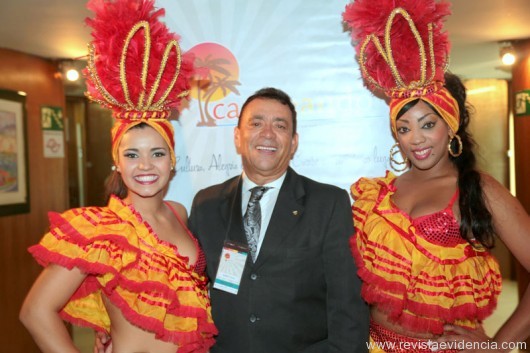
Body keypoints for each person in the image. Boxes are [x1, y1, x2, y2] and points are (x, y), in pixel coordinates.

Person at [19, 0, 217, 352]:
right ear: (117, 163)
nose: (145, 166)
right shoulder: (100, 229)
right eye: (131, 155)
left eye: (157, 154)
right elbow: (35, 312)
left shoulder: (178, 213)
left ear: (172, 162)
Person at [343, 0, 530, 352]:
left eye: (428, 125)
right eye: (404, 128)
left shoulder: (477, 189)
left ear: (451, 127)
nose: (415, 139)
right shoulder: (380, 193)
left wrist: (497, 346)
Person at [187, 87, 369, 353]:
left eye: (280, 125)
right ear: (238, 137)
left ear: (294, 142)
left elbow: (347, 305)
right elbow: (187, 294)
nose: (268, 133)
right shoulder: (206, 204)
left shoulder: (327, 203)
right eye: (256, 123)